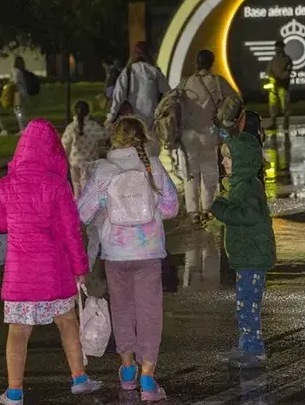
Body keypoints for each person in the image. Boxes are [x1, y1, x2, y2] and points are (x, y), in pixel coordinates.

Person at [0, 119, 102, 405]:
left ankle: (14, 392)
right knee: (67, 322)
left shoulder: (5, 185)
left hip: (20, 276)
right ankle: (79, 378)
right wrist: (80, 269)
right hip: (55, 272)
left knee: (18, 332)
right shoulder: (57, 185)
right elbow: (71, 233)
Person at [77, 117, 179, 402]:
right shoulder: (153, 166)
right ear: (142, 139)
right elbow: (171, 207)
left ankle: (126, 370)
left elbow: (81, 213)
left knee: (122, 310)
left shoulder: (103, 171)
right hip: (148, 252)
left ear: (114, 140)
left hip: (115, 253)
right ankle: (148, 379)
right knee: (149, 313)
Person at [210, 132, 276, 369]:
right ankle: (246, 346)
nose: (223, 162)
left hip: (252, 257)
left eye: (228, 159)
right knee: (243, 304)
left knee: (248, 303)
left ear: (243, 161)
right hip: (247, 255)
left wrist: (221, 208)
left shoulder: (247, 187)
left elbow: (248, 215)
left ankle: (254, 349)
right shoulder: (241, 184)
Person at [177, 49, 240, 224]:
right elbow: (235, 100)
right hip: (210, 134)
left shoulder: (185, 83)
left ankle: (193, 211)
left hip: (188, 135)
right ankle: (207, 208)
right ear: (212, 63)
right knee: (209, 171)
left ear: (196, 63)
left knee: (190, 173)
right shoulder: (217, 82)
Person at [107, 41, 170, 156]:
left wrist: (111, 117)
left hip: (132, 122)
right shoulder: (155, 71)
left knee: (134, 153)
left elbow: (118, 97)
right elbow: (168, 94)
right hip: (152, 122)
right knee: (151, 155)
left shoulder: (127, 72)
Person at [61, 100, 106, 197]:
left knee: (76, 186)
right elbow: (104, 134)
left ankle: (77, 206)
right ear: (89, 111)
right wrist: (110, 126)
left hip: (74, 162)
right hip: (89, 162)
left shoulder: (71, 127)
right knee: (87, 187)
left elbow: (64, 144)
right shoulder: (93, 126)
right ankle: (87, 207)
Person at [266, 41, 293, 124]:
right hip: (274, 86)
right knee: (273, 104)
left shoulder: (287, 59)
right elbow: (268, 71)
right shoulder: (273, 59)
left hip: (283, 85)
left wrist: (280, 79)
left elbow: (287, 71)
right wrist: (272, 78)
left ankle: (286, 123)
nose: (277, 49)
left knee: (285, 104)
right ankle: (273, 122)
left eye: (279, 47)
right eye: (276, 47)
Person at [12, 56, 30, 134]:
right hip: (23, 93)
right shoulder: (21, 71)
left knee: (18, 111)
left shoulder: (16, 71)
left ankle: (23, 128)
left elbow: (15, 82)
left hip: (18, 94)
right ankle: (24, 128)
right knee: (21, 111)